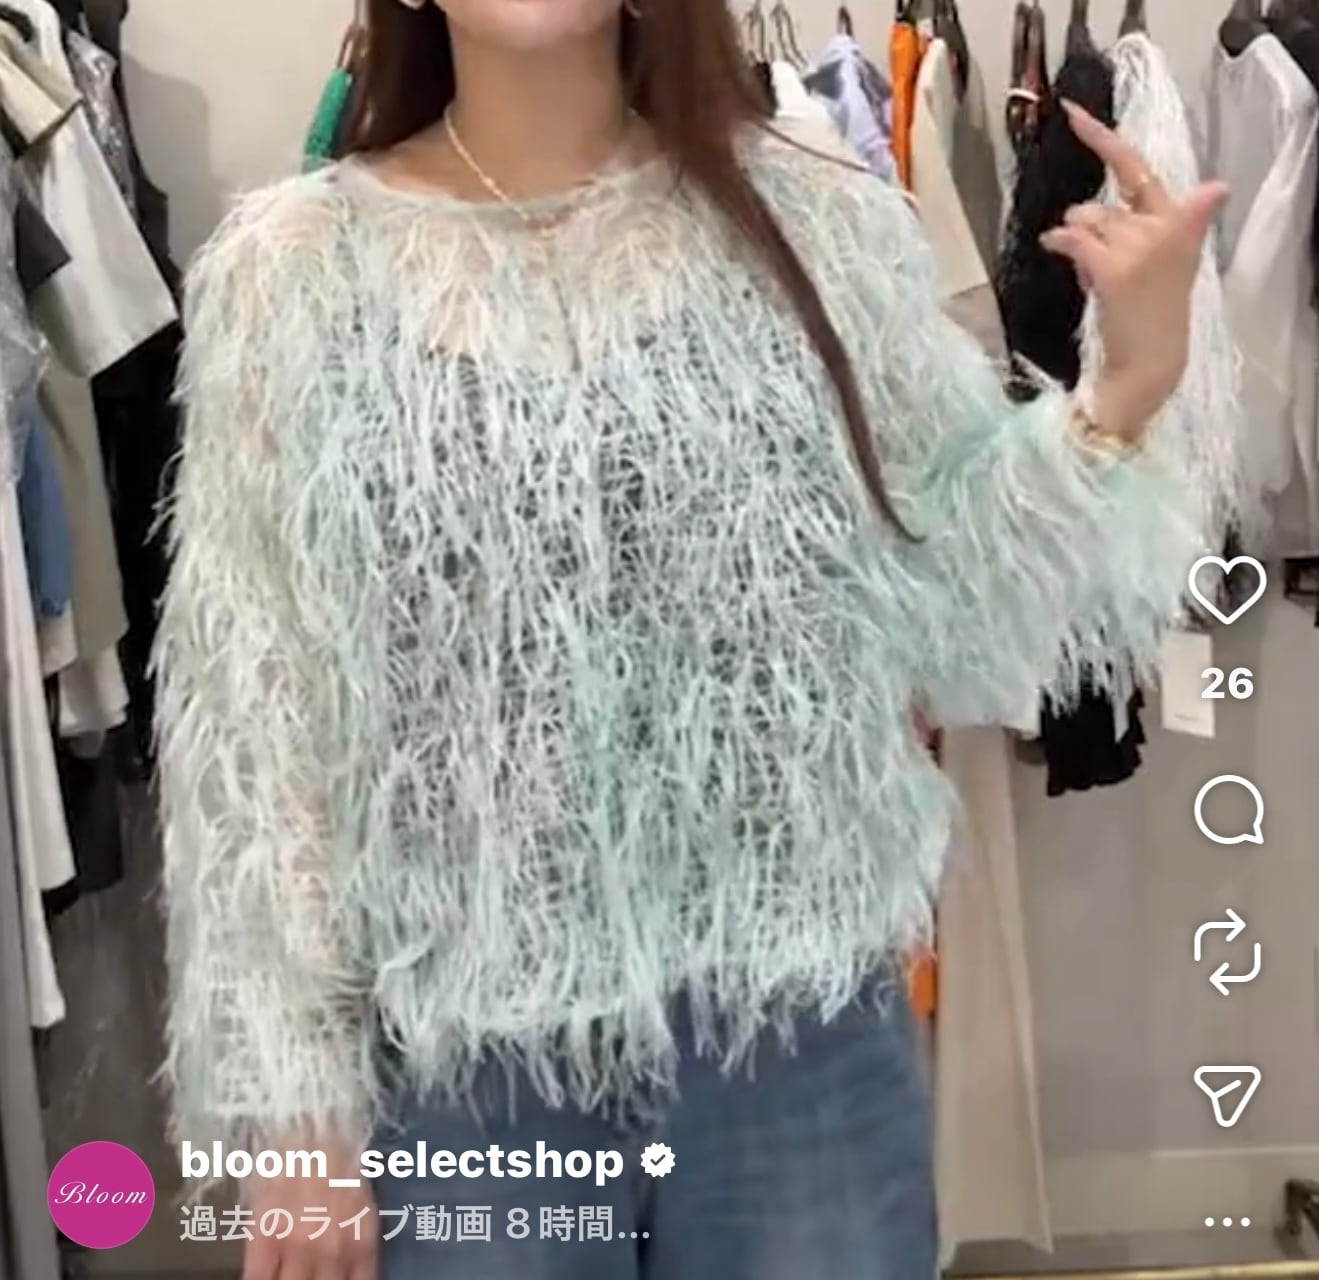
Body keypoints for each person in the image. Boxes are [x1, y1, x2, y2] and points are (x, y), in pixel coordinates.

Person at [153, 2, 1226, 1278]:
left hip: (797, 1042)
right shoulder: (293, 275)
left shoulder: (813, 223)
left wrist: (1124, 386)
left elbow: (955, 594)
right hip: (463, 1064)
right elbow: (259, 707)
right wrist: (299, 1110)